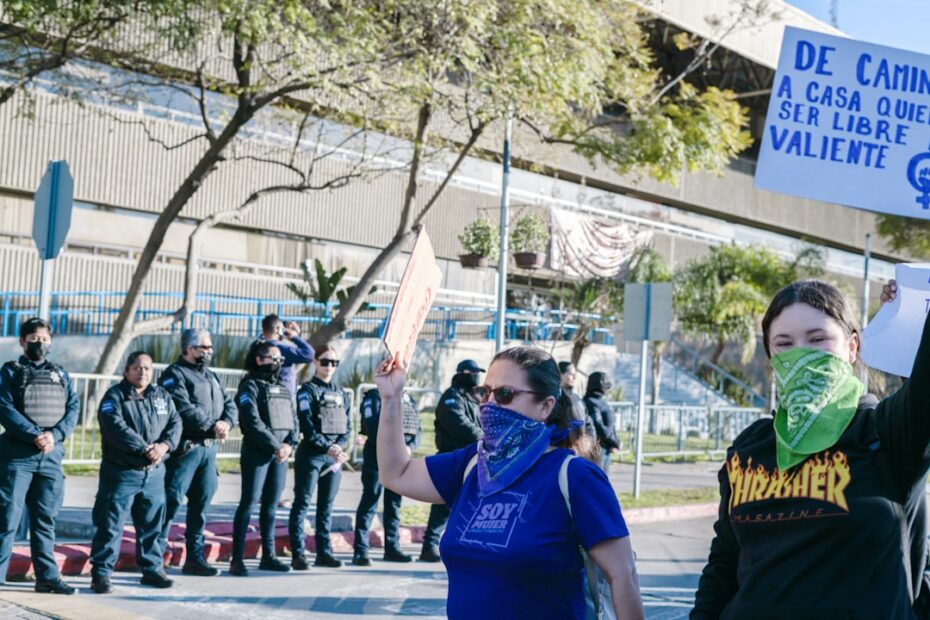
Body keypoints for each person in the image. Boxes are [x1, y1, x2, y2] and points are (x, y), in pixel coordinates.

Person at [692, 279, 930, 619]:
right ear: (771, 357)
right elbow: (724, 564)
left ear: (852, 348)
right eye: (784, 344)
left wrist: (914, 311)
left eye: (817, 339)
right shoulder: (750, 447)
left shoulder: (885, 433)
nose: (801, 353)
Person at [374, 346, 644, 619]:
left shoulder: (575, 476)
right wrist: (391, 395)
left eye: (505, 395)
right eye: (485, 392)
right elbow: (396, 472)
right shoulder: (472, 464)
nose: (489, 405)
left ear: (545, 406)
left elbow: (623, 575)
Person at [89, 351, 182, 594]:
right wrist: (144, 448)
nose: (143, 372)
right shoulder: (114, 397)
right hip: (122, 473)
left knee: (152, 525)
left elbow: (176, 423)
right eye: (137, 368)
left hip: (154, 473)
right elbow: (115, 429)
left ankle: (151, 569)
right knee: (110, 524)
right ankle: (101, 573)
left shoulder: (162, 396)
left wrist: (164, 446)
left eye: (148, 368)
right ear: (126, 371)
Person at [0, 318, 79, 595]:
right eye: (34, 337)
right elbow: (5, 408)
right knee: (6, 518)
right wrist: (35, 434)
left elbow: (73, 409)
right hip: (17, 457)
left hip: (50, 457)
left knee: (45, 520)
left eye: (44, 338)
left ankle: (46, 577)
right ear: (22, 341)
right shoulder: (10, 371)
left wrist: (54, 436)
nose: (40, 343)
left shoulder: (61, 373)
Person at [158, 328, 237, 576]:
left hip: (208, 450)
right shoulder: (174, 374)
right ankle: (153, 555)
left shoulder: (211, 376)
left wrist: (227, 422)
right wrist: (212, 425)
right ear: (189, 349)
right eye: (204, 347)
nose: (209, 351)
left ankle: (195, 557)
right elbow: (182, 407)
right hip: (185, 450)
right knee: (170, 503)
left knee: (200, 507)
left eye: (210, 347)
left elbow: (230, 403)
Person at [229, 341, 297, 576]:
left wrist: (290, 444)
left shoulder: (282, 388)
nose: (277, 364)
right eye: (273, 359)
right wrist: (276, 446)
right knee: (248, 503)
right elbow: (252, 421)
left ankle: (268, 555)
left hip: (280, 456)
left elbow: (292, 419)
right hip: (257, 453)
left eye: (280, 360)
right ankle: (236, 559)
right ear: (259, 360)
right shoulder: (249, 386)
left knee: (270, 506)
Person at [289, 345, 350, 570]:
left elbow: (348, 426)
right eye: (325, 362)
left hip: (333, 457)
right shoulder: (307, 390)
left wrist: (339, 447)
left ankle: (324, 552)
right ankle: (298, 553)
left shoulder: (341, 392)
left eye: (334, 363)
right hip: (313, 456)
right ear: (315, 362)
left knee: (327, 506)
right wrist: (328, 447)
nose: (329, 367)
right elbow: (307, 424)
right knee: (302, 503)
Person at [419, 359, 484, 563]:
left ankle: (463, 545)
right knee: (443, 504)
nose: (476, 375)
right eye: (472, 372)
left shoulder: (472, 398)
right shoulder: (451, 397)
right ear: (461, 373)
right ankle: (429, 545)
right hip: (450, 456)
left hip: (470, 458)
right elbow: (459, 424)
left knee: (469, 504)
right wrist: (484, 437)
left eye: (477, 372)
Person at [353, 387, 421, 566]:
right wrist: (398, 446)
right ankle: (360, 550)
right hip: (377, 456)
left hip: (399, 459)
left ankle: (392, 547)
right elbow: (373, 427)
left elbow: (417, 428)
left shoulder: (408, 398)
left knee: (394, 504)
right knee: (370, 501)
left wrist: (409, 446)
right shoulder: (375, 396)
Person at [258, 314, 314, 401]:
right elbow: (309, 354)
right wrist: (295, 337)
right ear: (278, 329)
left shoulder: (258, 346)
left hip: (264, 397)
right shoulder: (280, 349)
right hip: (283, 400)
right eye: (282, 329)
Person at [584, 372, 620, 473]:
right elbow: (598, 425)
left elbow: (609, 425)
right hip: (599, 449)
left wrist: (614, 441)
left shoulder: (600, 401)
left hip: (606, 448)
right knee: (598, 481)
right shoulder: (591, 402)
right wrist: (614, 441)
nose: (607, 389)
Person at [559, 361, 595, 438]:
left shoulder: (577, 398)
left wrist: (590, 441)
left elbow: (588, 422)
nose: (574, 378)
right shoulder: (554, 398)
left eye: (575, 375)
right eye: (571, 374)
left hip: (581, 445)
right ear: (561, 375)